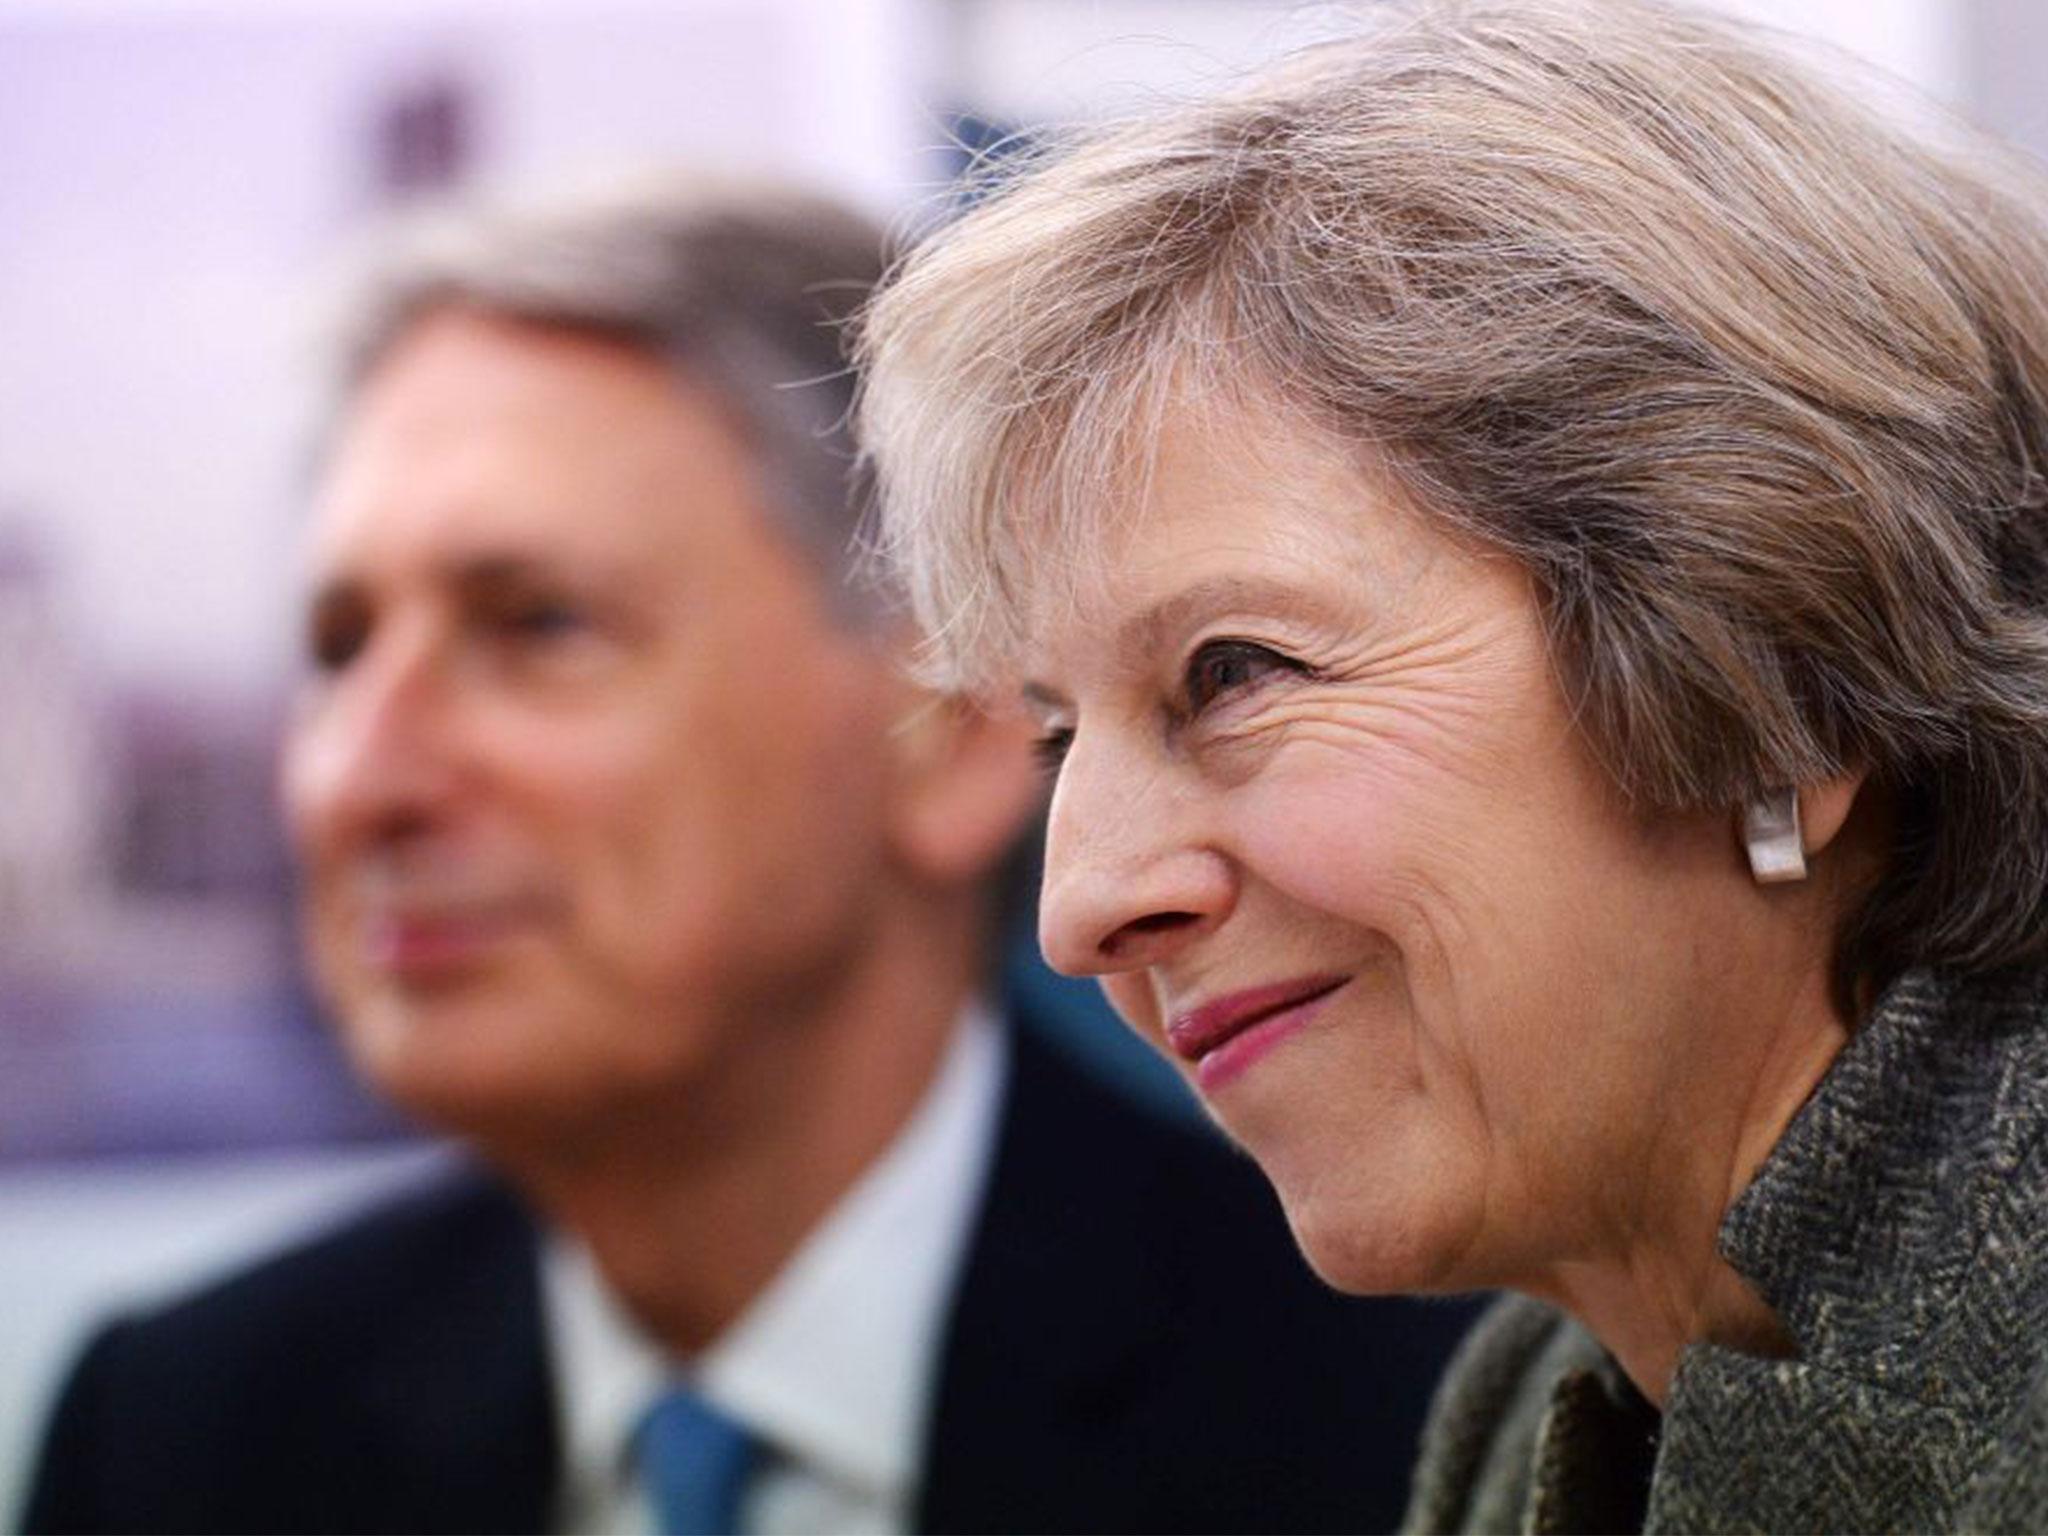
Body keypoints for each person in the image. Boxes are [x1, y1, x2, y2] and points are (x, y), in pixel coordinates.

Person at [18, 176, 1474, 1536]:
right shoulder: (182, 1440)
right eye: (338, 651)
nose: (361, 777)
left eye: (538, 626)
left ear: (955, 733)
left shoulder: (1430, 1433)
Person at [852, 1, 2048, 1531]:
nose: (1078, 910)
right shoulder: (1528, 1415)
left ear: (1779, 681)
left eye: (1232, 674)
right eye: (1061, 733)